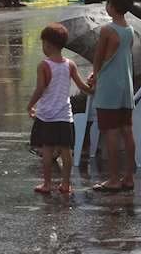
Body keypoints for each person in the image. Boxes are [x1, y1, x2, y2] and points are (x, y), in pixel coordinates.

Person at [27, 23, 92, 195]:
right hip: (65, 115)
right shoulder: (70, 65)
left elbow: (40, 89)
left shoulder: (44, 66)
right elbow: (82, 86)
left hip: (47, 116)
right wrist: (93, 87)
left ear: (47, 44)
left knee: (47, 149)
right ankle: (65, 184)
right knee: (66, 150)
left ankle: (47, 184)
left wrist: (30, 104)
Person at [90, 0, 137, 192]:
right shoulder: (130, 29)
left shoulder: (107, 30)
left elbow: (98, 59)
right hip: (125, 85)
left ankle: (114, 177)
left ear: (112, 5)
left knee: (110, 131)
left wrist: (94, 76)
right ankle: (128, 176)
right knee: (127, 131)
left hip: (109, 85)